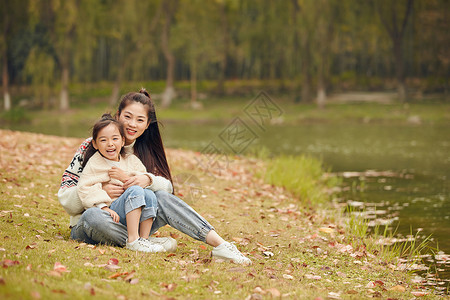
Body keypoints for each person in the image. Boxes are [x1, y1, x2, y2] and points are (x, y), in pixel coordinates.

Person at [58, 88, 251, 265]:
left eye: (140, 120)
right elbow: (66, 199)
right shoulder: (92, 146)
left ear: (147, 125)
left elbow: (167, 190)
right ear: (118, 115)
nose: (132, 124)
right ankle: (144, 242)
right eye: (127, 117)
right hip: (95, 221)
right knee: (93, 216)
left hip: (132, 220)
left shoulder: (145, 152)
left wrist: (148, 180)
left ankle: (220, 245)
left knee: (161, 196)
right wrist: (101, 192)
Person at [78, 114, 164, 253]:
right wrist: (104, 207)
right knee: (94, 214)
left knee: (147, 193)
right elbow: (85, 188)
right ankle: (132, 240)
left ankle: (143, 239)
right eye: (103, 140)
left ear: (123, 141)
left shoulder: (131, 160)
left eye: (115, 139)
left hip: (132, 214)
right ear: (95, 144)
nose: (110, 144)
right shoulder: (95, 163)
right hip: (110, 213)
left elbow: (143, 179)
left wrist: (125, 178)